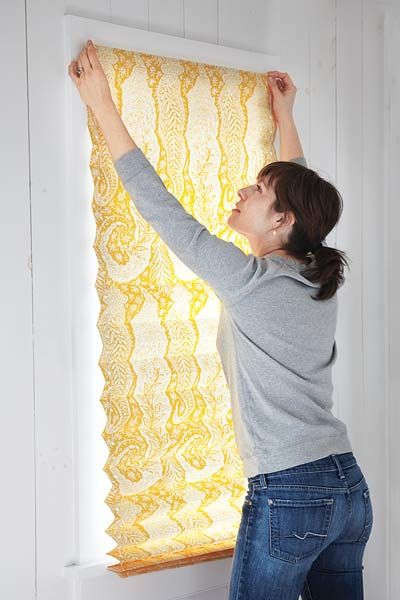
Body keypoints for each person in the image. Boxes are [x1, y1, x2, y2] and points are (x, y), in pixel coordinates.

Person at [68, 41, 374, 600]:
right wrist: (286, 119)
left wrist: (101, 105)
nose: (241, 190)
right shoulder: (315, 275)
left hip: (292, 489)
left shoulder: (251, 283)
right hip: (346, 488)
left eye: (257, 190)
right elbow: (299, 198)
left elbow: (162, 209)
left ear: (282, 219)